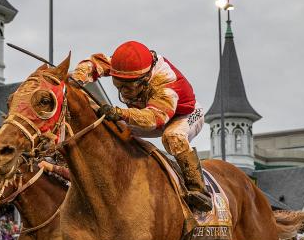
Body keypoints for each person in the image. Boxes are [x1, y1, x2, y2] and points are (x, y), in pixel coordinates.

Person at [72, 41, 212, 212]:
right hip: (151, 112)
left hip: (184, 114)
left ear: (145, 78)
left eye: (128, 86)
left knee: (173, 137)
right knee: (112, 126)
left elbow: (154, 118)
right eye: (118, 84)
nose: (123, 91)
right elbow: (94, 64)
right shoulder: (124, 65)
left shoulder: (166, 81)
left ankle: (198, 189)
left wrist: (121, 112)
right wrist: (77, 78)